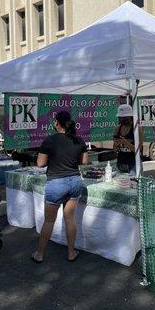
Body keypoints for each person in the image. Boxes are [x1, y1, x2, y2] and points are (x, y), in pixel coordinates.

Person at [31, 111, 88, 263]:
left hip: (56, 182)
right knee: (70, 219)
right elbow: (84, 161)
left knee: (49, 220)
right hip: (75, 181)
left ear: (57, 123)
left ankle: (40, 254)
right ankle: (71, 252)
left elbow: (40, 163)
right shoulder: (78, 140)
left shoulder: (49, 140)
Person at [113, 104, 143, 173]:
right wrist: (116, 144)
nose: (121, 120)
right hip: (121, 162)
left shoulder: (137, 128)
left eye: (124, 118)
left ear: (130, 116)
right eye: (120, 117)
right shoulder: (117, 128)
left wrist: (125, 142)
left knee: (134, 183)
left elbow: (139, 149)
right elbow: (114, 150)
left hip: (134, 164)